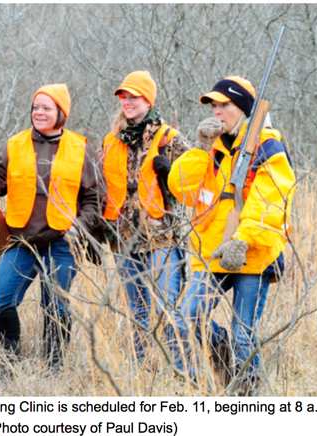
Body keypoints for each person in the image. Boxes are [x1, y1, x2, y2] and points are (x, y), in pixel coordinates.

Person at [0, 84, 104, 372]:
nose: (38, 112)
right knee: (0, 302)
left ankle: (53, 368)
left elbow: (95, 197)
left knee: (56, 308)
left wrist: (77, 228)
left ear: (61, 113)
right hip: (20, 240)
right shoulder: (15, 144)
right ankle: (8, 363)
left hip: (63, 242)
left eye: (46, 108)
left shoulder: (80, 146)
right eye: (35, 107)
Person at [167, 76, 296, 394]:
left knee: (244, 333)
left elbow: (270, 201)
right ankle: (223, 358)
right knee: (189, 315)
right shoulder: (213, 147)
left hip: (252, 254)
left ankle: (247, 397)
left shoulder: (268, 147)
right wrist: (201, 148)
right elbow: (181, 189)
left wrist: (242, 239)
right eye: (214, 105)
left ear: (243, 109)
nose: (217, 110)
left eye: (224, 104)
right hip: (212, 252)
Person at [100, 70, 191, 369]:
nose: (127, 102)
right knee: (138, 310)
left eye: (134, 97)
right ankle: (142, 368)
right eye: (123, 97)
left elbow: (200, 181)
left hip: (162, 234)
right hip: (124, 236)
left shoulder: (170, 138)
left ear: (148, 100)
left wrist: (171, 174)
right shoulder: (111, 140)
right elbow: (102, 188)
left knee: (168, 306)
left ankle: (180, 367)